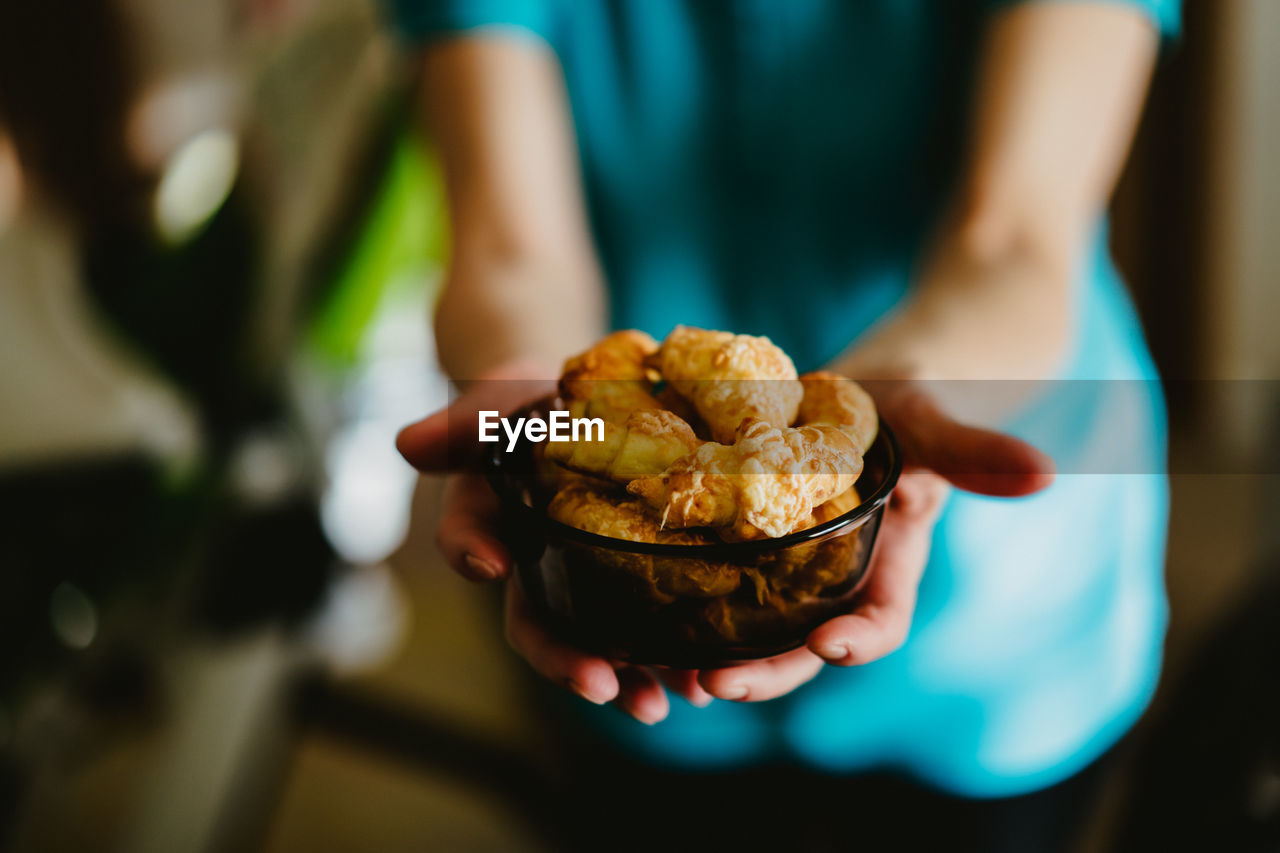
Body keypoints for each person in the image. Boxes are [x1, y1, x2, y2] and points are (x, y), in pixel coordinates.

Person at [392, 1, 1176, 848]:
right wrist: (522, 384)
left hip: (994, 613)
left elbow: (1015, 238)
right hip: (630, 622)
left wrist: (909, 388)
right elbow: (511, 247)